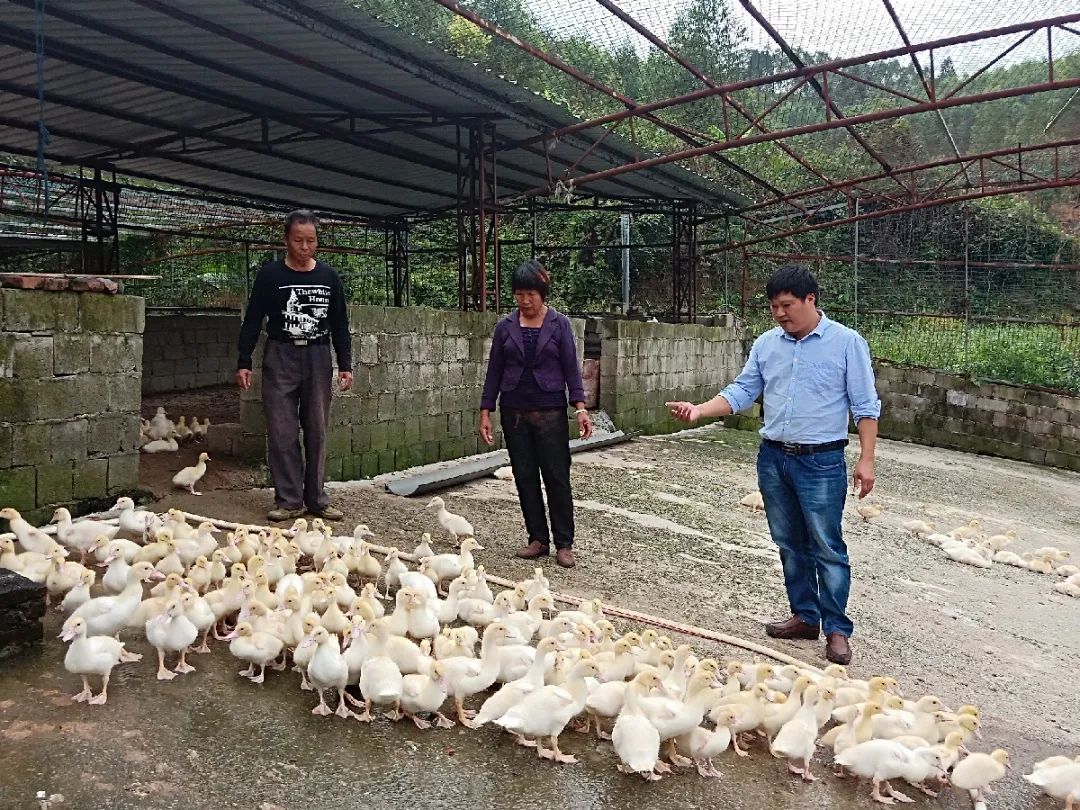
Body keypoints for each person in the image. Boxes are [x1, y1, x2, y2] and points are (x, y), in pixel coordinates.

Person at [666, 265, 880, 665]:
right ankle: (804, 615)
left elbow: (865, 406)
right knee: (788, 543)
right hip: (774, 458)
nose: (780, 313)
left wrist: (866, 460)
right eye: (774, 307)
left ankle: (836, 629)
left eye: (787, 305)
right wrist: (699, 411)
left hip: (822, 461)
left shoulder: (847, 343)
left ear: (810, 300)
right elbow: (743, 390)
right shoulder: (767, 344)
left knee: (827, 546)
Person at [237, 210, 353, 522]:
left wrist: (346, 364)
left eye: (311, 241)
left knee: (316, 428)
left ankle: (316, 499)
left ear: (317, 242)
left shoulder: (328, 278)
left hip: (317, 356)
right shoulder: (270, 276)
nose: (304, 246)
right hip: (280, 355)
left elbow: (340, 323)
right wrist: (244, 360)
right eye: (298, 240)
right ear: (286, 240)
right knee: (281, 430)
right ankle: (289, 500)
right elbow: (253, 319)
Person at [479, 260, 592, 568]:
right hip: (514, 411)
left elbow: (571, 369)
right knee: (524, 476)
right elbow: (494, 372)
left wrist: (580, 409)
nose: (525, 301)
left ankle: (564, 543)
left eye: (531, 294)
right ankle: (538, 539)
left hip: (550, 413)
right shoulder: (505, 327)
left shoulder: (559, 324)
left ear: (543, 293)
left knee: (557, 477)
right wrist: (486, 410)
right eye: (519, 294)